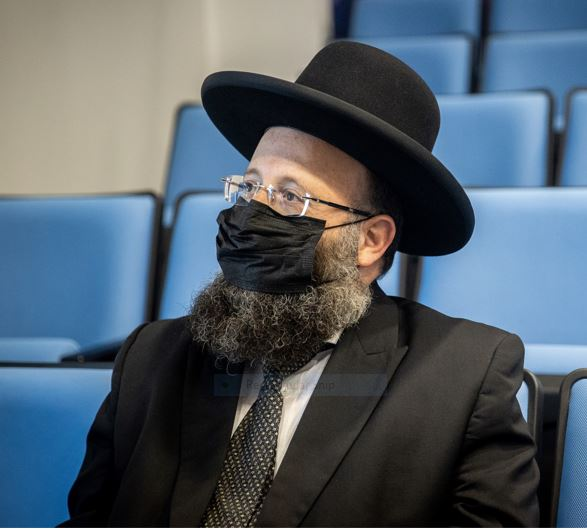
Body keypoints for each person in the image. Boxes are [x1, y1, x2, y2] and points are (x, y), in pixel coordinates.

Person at [61, 41, 539, 527]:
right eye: (249, 187)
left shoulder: (462, 378)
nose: (251, 214)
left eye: (290, 197)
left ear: (371, 240)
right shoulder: (150, 361)